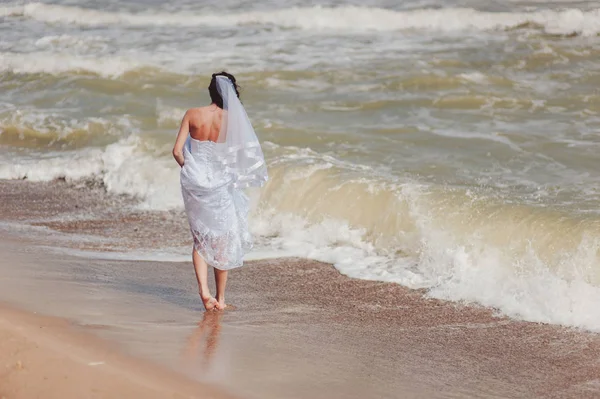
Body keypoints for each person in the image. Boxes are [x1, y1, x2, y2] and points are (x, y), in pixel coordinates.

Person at [172, 72, 268, 311]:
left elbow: (176, 151)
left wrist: (192, 170)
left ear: (211, 91)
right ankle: (221, 298)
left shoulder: (193, 114)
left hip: (196, 182)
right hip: (220, 184)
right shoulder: (233, 121)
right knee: (222, 240)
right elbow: (239, 156)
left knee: (200, 238)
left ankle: (204, 293)